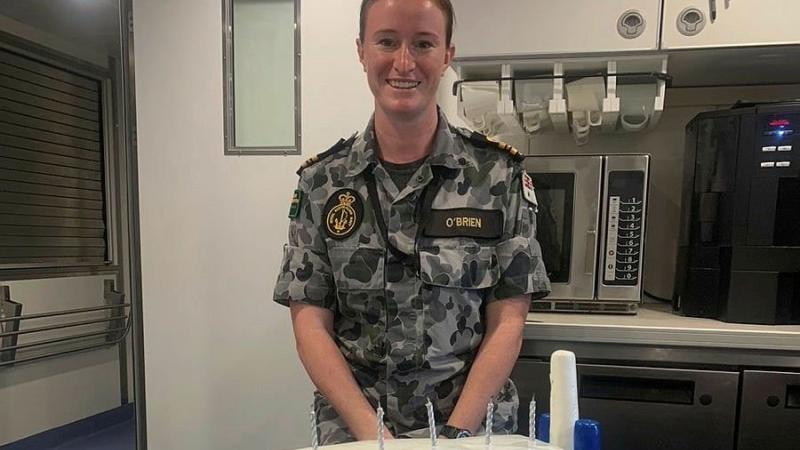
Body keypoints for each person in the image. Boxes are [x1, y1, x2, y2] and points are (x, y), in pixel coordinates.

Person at [273, 0, 550, 444]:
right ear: (362, 51)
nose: (404, 62)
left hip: (472, 428)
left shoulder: (498, 176)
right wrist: (375, 436)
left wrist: (454, 435)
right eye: (387, 41)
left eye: (423, 43)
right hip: (356, 429)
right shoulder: (322, 183)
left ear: (447, 55)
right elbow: (310, 323)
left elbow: (508, 320)